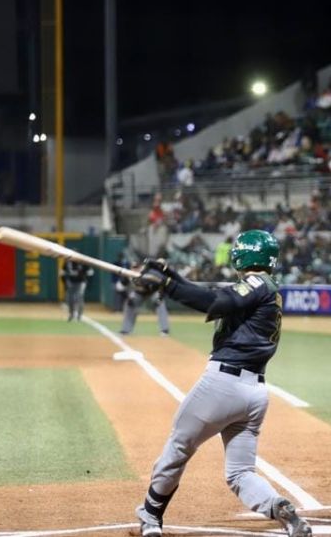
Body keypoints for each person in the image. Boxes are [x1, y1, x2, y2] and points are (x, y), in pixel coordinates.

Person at [131, 230, 312, 537]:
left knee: (178, 446)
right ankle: (278, 505)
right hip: (254, 394)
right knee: (240, 472)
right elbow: (216, 295)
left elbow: (213, 301)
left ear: (244, 254)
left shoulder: (256, 283)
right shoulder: (266, 287)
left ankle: (150, 517)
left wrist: (167, 286)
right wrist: (170, 274)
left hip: (222, 386)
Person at [119, 262, 171, 336]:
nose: (135, 270)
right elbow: (120, 287)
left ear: (141, 267)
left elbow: (161, 285)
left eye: (137, 267)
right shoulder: (127, 275)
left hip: (152, 292)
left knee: (159, 302)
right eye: (133, 267)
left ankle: (164, 330)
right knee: (130, 303)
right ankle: (126, 330)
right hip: (138, 293)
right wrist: (128, 296)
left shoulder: (149, 274)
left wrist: (160, 295)